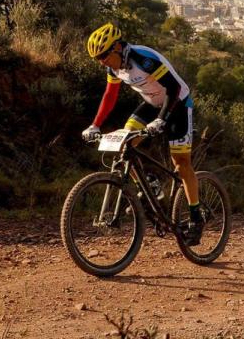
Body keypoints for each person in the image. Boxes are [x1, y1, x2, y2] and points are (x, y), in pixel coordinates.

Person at [82, 23, 203, 245]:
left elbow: (173, 89)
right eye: (97, 58)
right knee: (124, 141)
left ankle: (196, 217)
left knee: (181, 163)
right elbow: (110, 96)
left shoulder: (144, 59)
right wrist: (95, 125)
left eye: (103, 55)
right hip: (150, 104)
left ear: (117, 47)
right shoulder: (114, 67)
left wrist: (161, 119)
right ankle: (150, 184)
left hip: (177, 104)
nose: (101, 62)